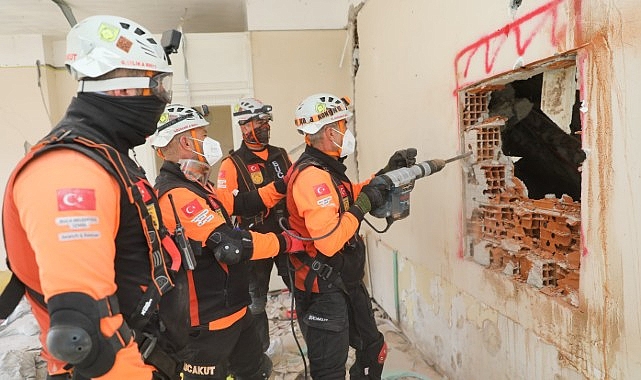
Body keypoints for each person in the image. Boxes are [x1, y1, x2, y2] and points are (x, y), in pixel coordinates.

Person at [2, 15, 189, 380]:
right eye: (158, 87)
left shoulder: (106, 157)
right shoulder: (69, 170)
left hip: (147, 353)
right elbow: (81, 332)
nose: (162, 101)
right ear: (122, 91)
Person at [149, 104, 304, 380]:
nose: (209, 140)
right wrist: (284, 243)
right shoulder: (175, 196)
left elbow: (240, 203)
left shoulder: (197, 185)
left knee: (255, 371)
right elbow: (232, 245)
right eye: (203, 134)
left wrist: (280, 187)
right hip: (207, 323)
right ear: (186, 141)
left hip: (234, 311)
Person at [285, 93, 417, 379]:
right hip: (324, 289)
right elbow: (330, 240)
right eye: (343, 125)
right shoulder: (312, 178)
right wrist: (364, 205)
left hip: (346, 280)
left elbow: (347, 197)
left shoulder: (327, 170)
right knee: (329, 371)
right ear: (330, 132)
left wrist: (385, 175)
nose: (347, 132)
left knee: (373, 349)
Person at [216, 97, 292, 352]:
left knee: (302, 292)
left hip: (286, 234)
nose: (265, 126)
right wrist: (268, 194)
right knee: (255, 301)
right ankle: (259, 354)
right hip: (254, 240)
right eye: (259, 122)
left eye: (266, 121)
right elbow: (227, 206)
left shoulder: (281, 155)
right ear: (244, 126)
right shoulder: (232, 164)